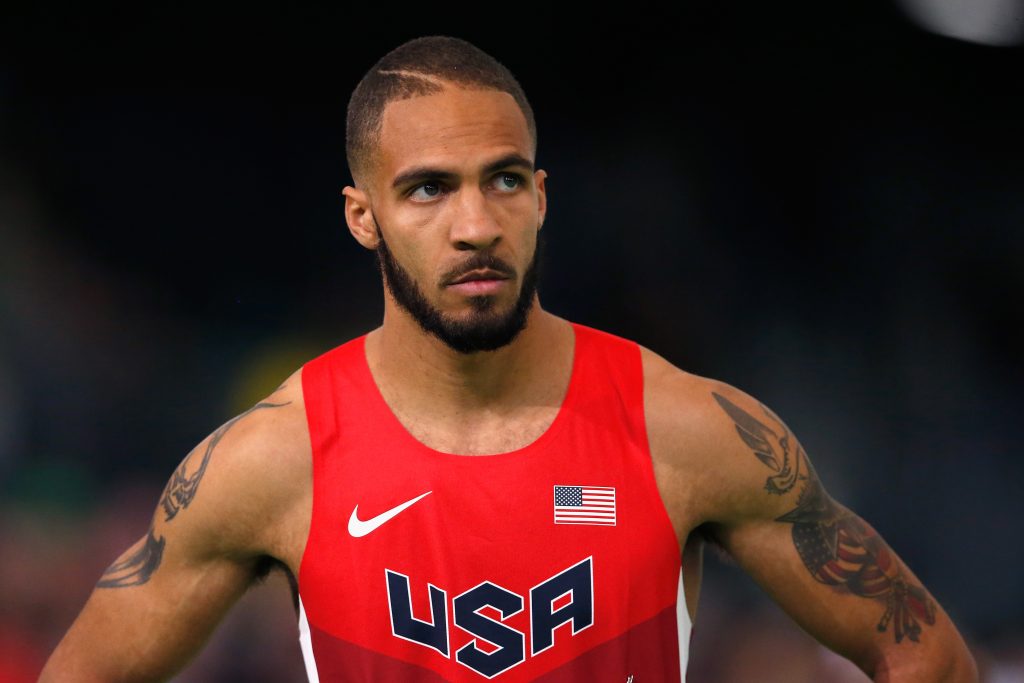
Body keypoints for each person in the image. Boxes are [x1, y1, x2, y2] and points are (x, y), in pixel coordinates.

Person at [41, 35, 977, 682]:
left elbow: (924, 654)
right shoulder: (270, 460)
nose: (476, 225)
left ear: (541, 196)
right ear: (361, 216)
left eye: (502, 180)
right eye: (427, 190)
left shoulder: (688, 428)